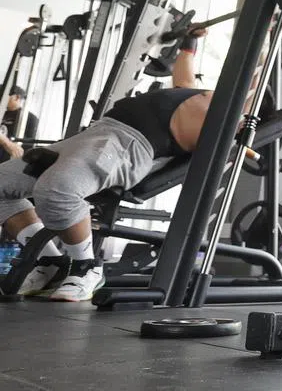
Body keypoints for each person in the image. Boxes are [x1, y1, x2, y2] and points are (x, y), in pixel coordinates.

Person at [0, 27, 212, 302]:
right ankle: (52, 262)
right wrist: (189, 44)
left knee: (58, 189)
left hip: (127, 146)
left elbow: (209, 145)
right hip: (95, 134)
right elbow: (184, 79)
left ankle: (87, 266)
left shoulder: (226, 115)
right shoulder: (203, 96)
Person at [0, 86, 39, 163]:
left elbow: (28, 146)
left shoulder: (29, 118)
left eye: (4, 96)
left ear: (16, 97)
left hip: (8, 161)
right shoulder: (2, 113)